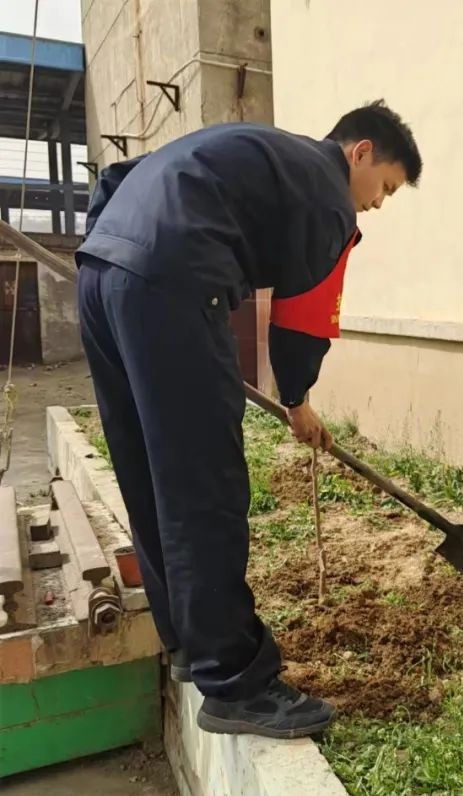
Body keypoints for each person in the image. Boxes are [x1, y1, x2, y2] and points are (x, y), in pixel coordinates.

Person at [75, 101, 422, 739]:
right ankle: (235, 682)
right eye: (387, 187)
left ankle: (186, 640)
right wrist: (298, 399)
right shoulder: (328, 200)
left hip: (102, 273)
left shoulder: (257, 150)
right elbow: (304, 320)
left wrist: (118, 260)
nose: (377, 204)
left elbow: (118, 177)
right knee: (206, 483)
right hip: (173, 280)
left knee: (152, 471)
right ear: (361, 152)